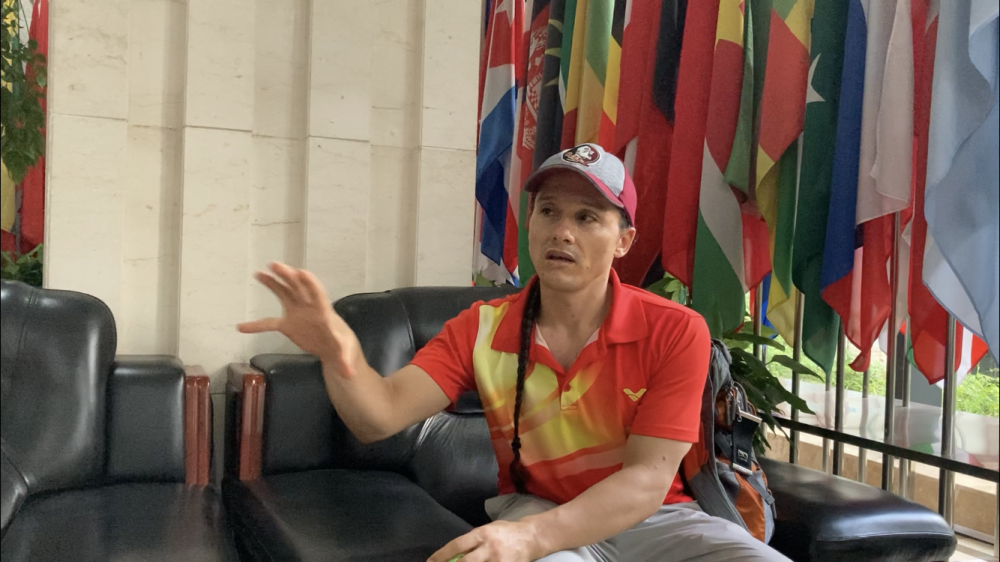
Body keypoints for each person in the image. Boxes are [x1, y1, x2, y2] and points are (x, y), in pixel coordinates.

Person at [239, 144, 790, 562]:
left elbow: (647, 478)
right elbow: (377, 416)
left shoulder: (675, 330)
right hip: (539, 508)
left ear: (623, 240)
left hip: (658, 518)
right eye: (548, 211)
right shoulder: (481, 328)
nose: (562, 232)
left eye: (587, 217)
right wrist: (338, 353)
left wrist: (529, 540)